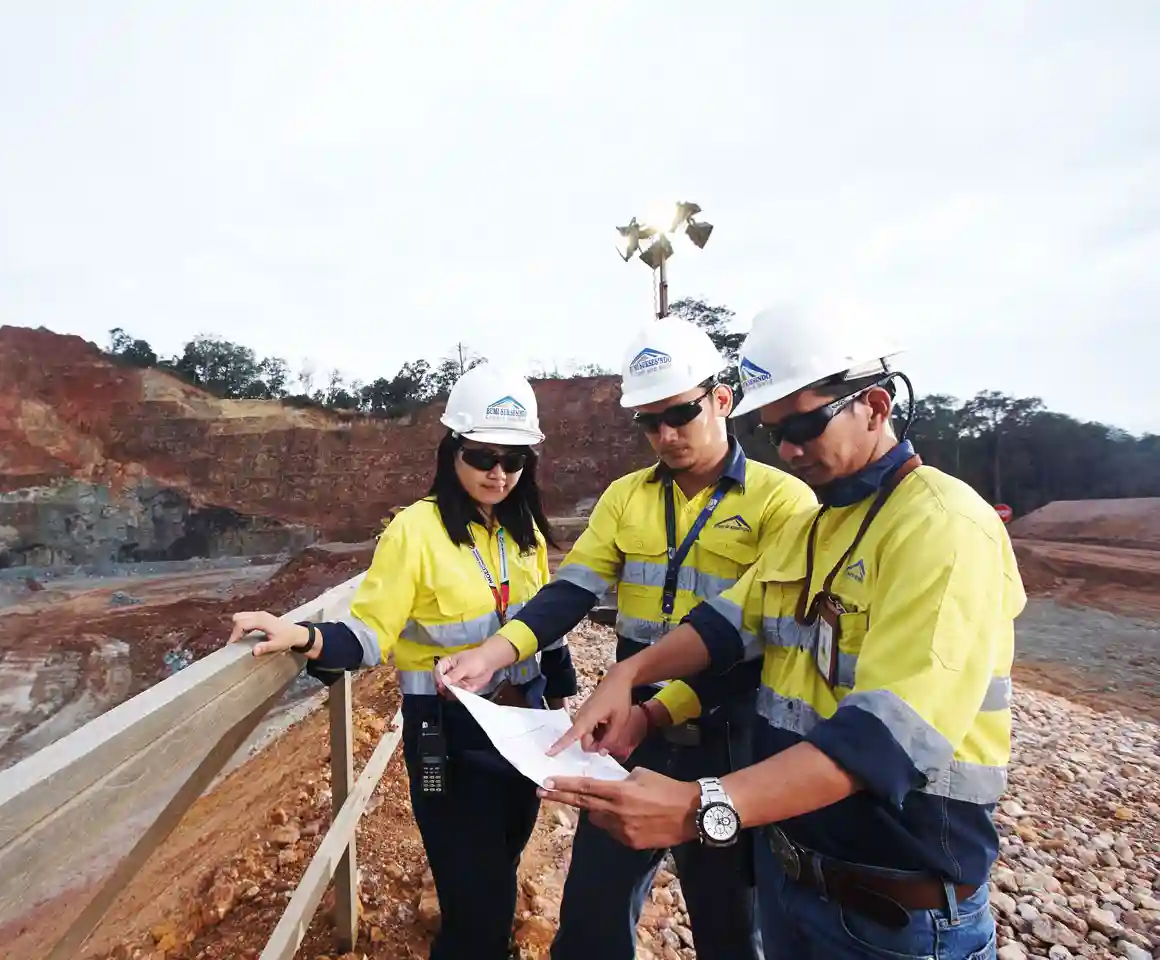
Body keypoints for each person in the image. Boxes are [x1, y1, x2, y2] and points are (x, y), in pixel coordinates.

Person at [529, 300, 1024, 959]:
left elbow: (883, 740)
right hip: (796, 879)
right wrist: (631, 676)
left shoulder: (942, 528)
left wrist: (698, 804)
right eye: (774, 432)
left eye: (805, 425)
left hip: (894, 916)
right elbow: (729, 626)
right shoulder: (821, 527)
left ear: (874, 406)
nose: (789, 450)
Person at [433, 317, 814, 959]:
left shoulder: (784, 504)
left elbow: (764, 641)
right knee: (590, 918)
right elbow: (570, 592)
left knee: (727, 923)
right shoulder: (625, 498)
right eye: (648, 421)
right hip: (628, 737)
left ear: (721, 399)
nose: (664, 435)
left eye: (679, 414)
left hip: (729, 737)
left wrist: (652, 706)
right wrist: (495, 653)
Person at [228, 362, 575, 960]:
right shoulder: (414, 531)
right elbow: (370, 632)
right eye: (483, 456)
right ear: (452, 451)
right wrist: (303, 637)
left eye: (514, 459)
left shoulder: (525, 534)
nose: (498, 472)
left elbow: (542, 626)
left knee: (505, 859)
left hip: (524, 728)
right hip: (451, 736)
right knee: (475, 899)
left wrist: (562, 705)